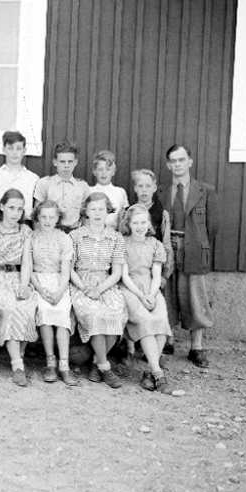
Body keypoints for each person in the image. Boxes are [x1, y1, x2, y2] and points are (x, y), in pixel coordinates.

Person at [158, 144, 219, 368]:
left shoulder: (205, 190)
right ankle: (168, 341)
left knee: (194, 296)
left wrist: (198, 244)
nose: (177, 164)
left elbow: (212, 225)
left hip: (192, 245)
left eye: (181, 160)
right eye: (173, 161)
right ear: (168, 165)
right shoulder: (162, 191)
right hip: (168, 245)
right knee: (167, 293)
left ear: (190, 162)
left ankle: (196, 348)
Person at [70, 192, 128, 388]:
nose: (97, 213)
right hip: (82, 284)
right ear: (86, 211)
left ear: (108, 211)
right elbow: (69, 269)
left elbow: (117, 272)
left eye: (101, 209)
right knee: (95, 315)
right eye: (93, 209)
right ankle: (105, 367)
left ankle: (97, 362)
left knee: (116, 314)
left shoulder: (115, 237)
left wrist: (100, 289)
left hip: (106, 283)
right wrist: (85, 288)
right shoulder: (75, 236)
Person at [0, 189, 38, 387]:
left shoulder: (25, 231)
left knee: (27, 307)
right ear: (2, 207)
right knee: (10, 309)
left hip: (18, 278)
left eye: (20, 209)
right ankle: (17, 364)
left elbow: (26, 262)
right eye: (11, 208)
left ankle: (19, 355)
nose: (15, 213)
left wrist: (24, 285)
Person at [119, 205, 172, 392]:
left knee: (161, 321)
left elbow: (156, 274)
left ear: (148, 224)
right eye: (135, 223)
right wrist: (141, 296)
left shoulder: (155, 244)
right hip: (131, 289)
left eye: (143, 222)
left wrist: (151, 293)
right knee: (146, 321)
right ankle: (158, 373)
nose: (140, 226)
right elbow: (124, 276)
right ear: (129, 224)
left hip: (151, 288)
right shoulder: (122, 243)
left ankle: (150, 372)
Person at [29, 200, 78, 386]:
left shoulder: (64, 239)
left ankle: (64, 365)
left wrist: (59, 292)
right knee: (44, 310)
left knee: (63, 310)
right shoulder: (32, 237)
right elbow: (29, 269)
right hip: (38, 282)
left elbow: (66, 271)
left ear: (58, 218)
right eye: (43, 217)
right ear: (38, 217)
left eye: (51, 217)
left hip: (59, 282)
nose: (47, 221)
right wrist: (40, 289)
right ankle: (50, 362)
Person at [131, 168, 175, 354]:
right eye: (140, 186)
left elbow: (167, 245)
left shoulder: (161, 214)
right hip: (134, 269)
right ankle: (133, 343)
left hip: (154, 268)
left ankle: (159, 344)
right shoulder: (130, 212)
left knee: (156, 304)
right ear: (135, 188)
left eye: (148, 186)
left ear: (154, 188)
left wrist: (165, 274)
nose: (144, 190)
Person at [33, 140, 88, 234]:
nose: (66, 166)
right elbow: (36, 215)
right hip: (50, 232)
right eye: (62, 161)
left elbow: (86, 216)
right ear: (55, 162)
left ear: (75, 162)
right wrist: (38, 236)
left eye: (70, 161)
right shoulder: (45, 184)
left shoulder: (82, 186)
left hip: (75, 233)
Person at [0, 131, 39, 223]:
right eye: (10, 148)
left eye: (18, 148)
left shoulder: (33, 179)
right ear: (3, 150)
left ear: (24, 150)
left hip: (25, 224)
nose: (14, 152)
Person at [87, 150, 129, 230]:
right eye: (100, 169)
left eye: (108, 169)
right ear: (94, 171)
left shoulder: (120, 192)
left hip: (113, 233)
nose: (104, 173)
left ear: (113, 172)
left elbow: (123, 217)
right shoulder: (88, 191)